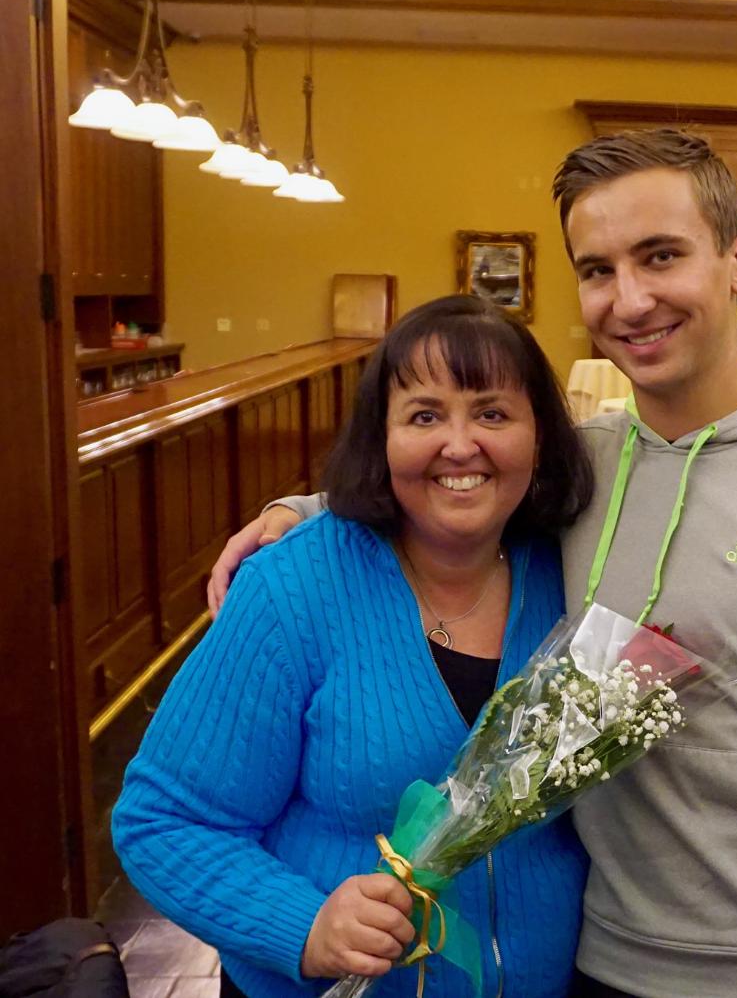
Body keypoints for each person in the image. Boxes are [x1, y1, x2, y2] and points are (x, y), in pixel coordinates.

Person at [208, 129, 737, 998]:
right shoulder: (581, 467)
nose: (631, 299)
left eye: (661, 256)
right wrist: (296, 513)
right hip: (604, 959)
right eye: (599, 269)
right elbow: (454, 477)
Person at [113, 295, 594, 998]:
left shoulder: (574, 572)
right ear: (382, 437)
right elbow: (165, 819)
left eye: (492, 413)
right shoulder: (292, 588)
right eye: (424, 415)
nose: (460, 445)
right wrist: (303, 925)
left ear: (541, 435)